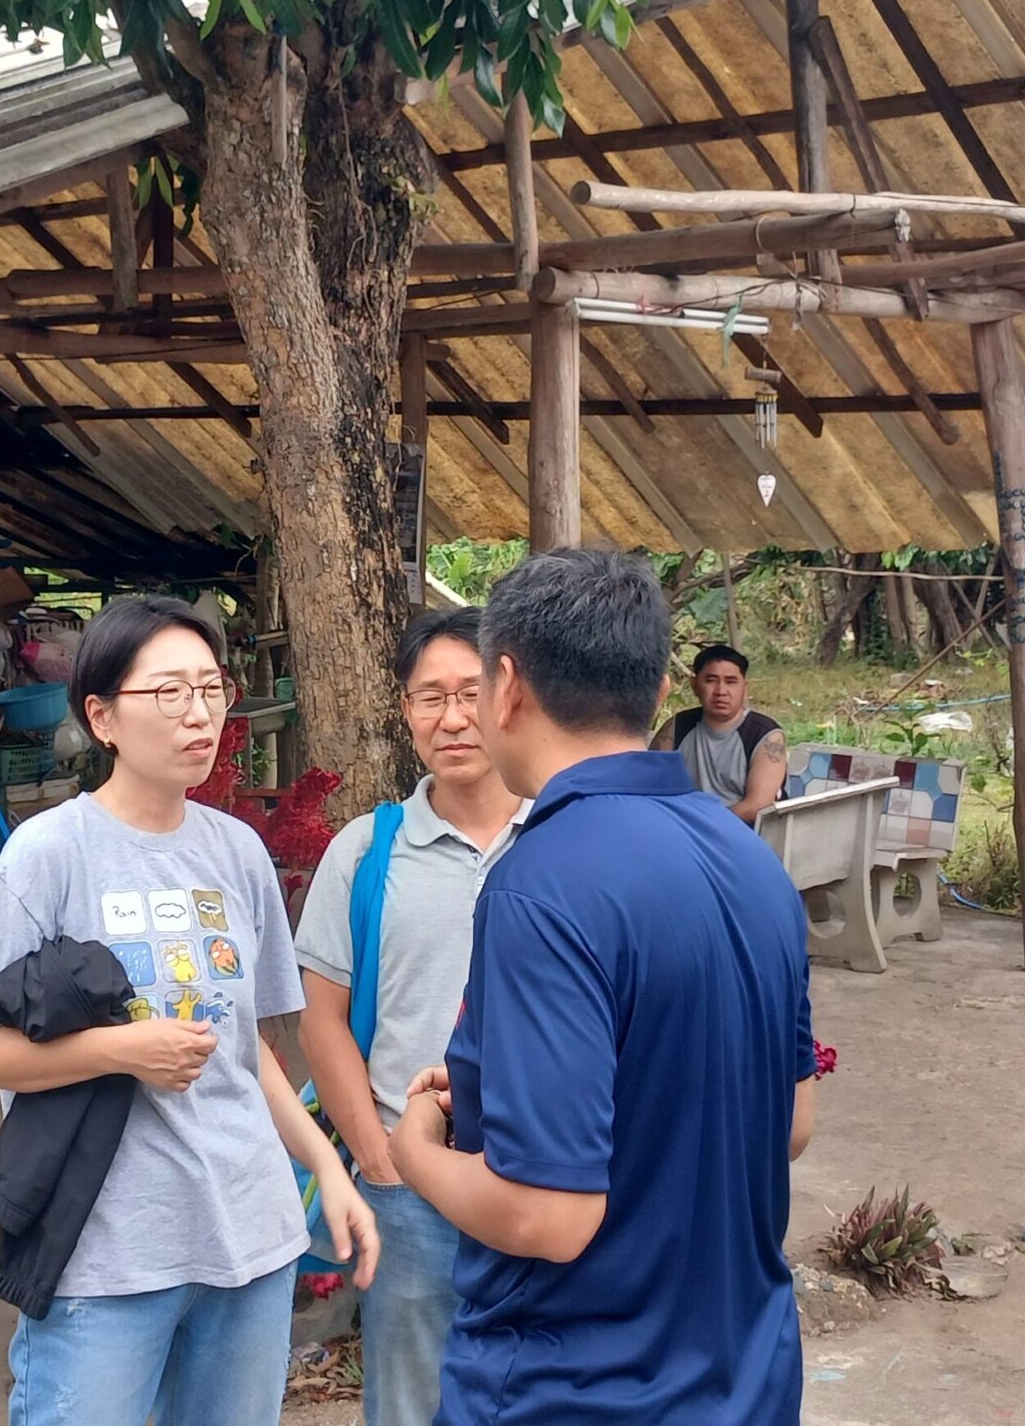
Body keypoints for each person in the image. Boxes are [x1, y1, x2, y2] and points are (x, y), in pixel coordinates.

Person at [388, 550, 820, 1426]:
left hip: (575, 1388)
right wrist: (495, 1097)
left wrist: (416, 1152)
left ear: (507, 686)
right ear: (660, 690)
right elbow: (790, 1122)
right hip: (745, 1378)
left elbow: (550, 1217)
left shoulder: (541, 883)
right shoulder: (752, 866)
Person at [0, 594, 378, 1426]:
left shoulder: (237, 852)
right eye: (169, 692)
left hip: (250, 1237)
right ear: (102, 717)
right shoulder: (49, 855)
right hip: (107, 1252)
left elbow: (247, 1054)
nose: (199, 713)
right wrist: (121, 1051)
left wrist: (327, 1170)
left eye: (211, 689)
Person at [294, 608, 528, 1426]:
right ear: (405, 711)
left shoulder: (562, 838)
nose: (453, 718)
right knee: (408, 1402)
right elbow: (322, 1020)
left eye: (471, 693)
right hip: (408, 1188)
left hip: (543, 1177)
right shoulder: (367, 851)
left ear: (509, 697)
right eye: (431, 697)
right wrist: (377, 1158)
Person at [651, 641, 788, 824]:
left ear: (745, 688)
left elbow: (756, 807)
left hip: (743, 832)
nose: (721, 691)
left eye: (731, 682)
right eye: (711, 681)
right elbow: (650, 783)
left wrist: (701, 825)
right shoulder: (677, 726)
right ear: (695, 685)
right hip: (685, 828)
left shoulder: (766, 735)